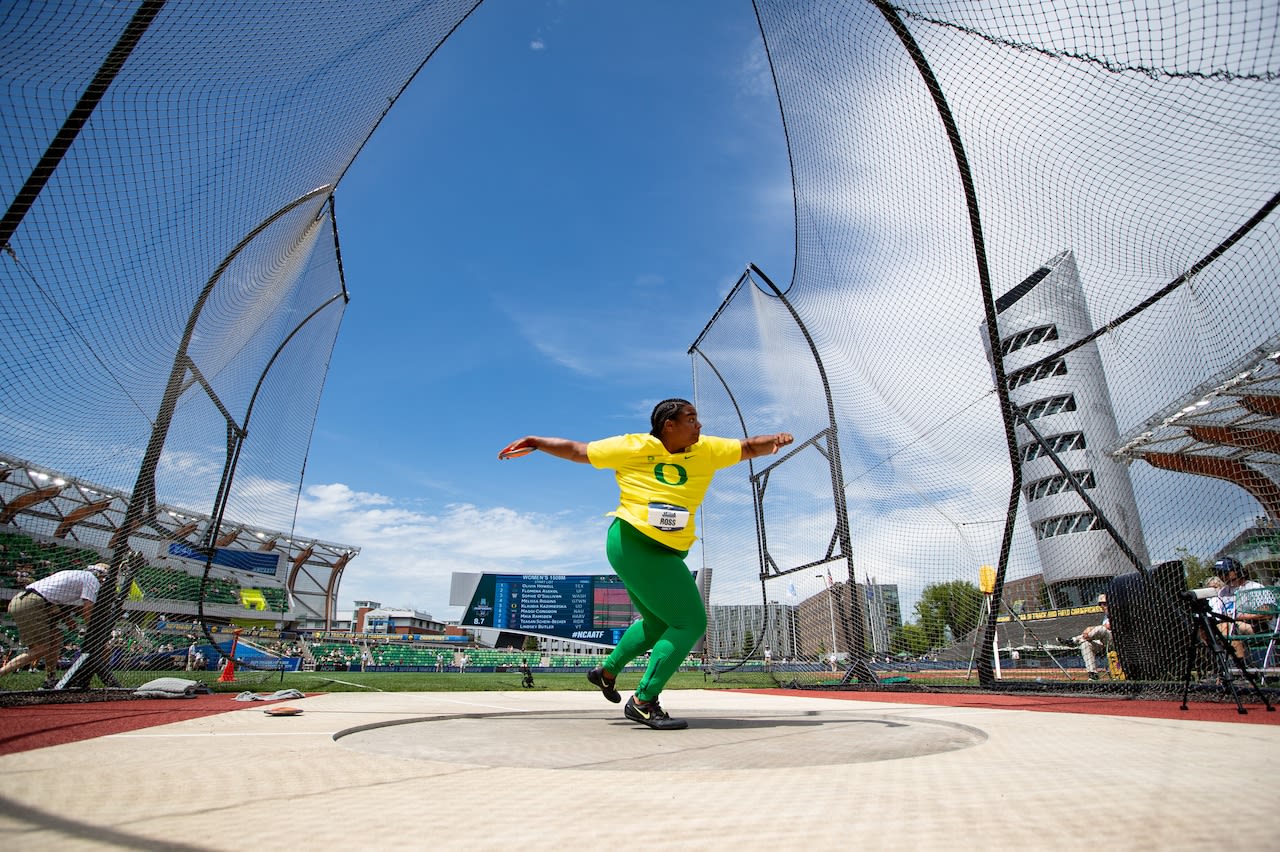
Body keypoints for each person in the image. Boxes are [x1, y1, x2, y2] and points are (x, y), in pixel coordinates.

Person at [500, 397, 793, 730]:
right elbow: (578, 451)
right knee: (690, 623)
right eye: (691, 418)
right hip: (633, 542)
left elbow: (746, 448)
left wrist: (774, 441)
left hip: (668, 551)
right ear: (669, 425)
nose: (699, 425)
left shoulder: (707, 449)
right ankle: (643, 701)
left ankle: (605, 672)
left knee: (656, 625)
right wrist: (537, 442)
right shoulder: (634, 446)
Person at [0, 562, 109, 688]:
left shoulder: (76, 574)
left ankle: (50, 678)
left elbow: (54, 597)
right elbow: (87, 609)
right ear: (101, 575)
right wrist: (93, 630)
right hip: (33, 604)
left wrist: (67, 619)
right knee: (39, 649)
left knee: (56, 636)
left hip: (28, 600)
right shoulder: (91, 579)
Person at [1210, 557, 1268, 660]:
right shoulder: (1223, 591)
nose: (1221, 575)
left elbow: (1267, 614)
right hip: (1232, 624)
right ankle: (1216, 667)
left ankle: (1241, 666)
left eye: (1224, 572)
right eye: (1217, 573)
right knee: (1206, 629)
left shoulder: (1254, 587)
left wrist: (1238, 617)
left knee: (1225, 627)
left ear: (1236, 571)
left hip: (1256, 626)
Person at [1071, 593, 1111, 680]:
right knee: (1085, 644)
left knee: (1101, 629)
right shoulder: (1105, 616)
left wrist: (1090, 628)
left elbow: (1109, 626)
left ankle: (1075, 640)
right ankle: (1093, 674)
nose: (1103, 606)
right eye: (1101, 604)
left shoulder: (1117, 612)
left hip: (1117, 642)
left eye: (1105, 604)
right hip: (1104, 643)